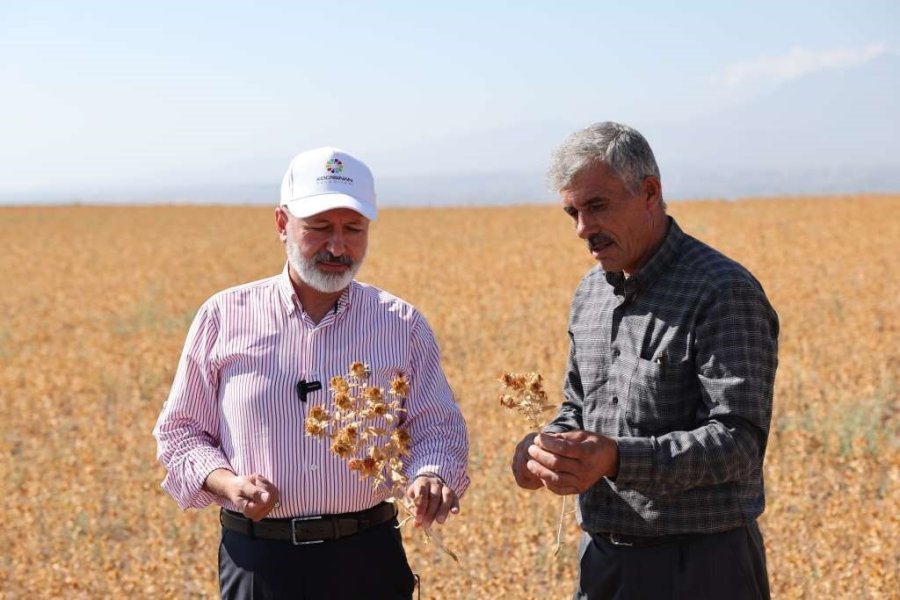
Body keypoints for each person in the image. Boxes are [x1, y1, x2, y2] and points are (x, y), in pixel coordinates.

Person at [153, 147, 469, 599]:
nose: (338, 246)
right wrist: (229, 483)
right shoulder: (223, 316)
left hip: (368, 558)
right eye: (319, 228)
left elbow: (436, 427)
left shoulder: (401, 324)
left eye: (353, 229)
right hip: (259, 562)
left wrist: (431, 475)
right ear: (282, 224)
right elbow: (181, 433)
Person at [511, 122, 778, 599]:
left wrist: (615, 458)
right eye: (572, 211)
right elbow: (578, 405)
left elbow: (739, 442)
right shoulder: (590, 295)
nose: (582, 229)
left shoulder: (722, 292)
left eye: (596, 206)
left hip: (703, 568)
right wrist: (547, 449)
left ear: (650, 192)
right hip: (605, 564)